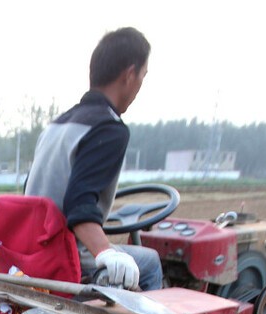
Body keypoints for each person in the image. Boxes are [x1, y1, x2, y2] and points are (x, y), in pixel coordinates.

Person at [24, 27, 163, 292]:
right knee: (151, 262)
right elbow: (79, 205)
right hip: (65, 253)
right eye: (143, 76)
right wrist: (105, 252)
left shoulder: (58, 125)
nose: (139, 87)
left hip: (31, 248)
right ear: (129, 75)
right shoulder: (108, 128)